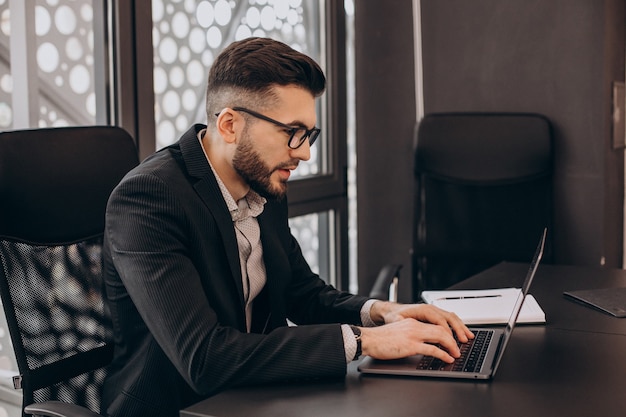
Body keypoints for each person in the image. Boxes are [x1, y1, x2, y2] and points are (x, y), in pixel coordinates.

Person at [101, 37, 473, 417]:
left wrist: (381, 313)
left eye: (309, 134)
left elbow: (300, 290)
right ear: (230, 124)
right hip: (181, 407)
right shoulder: (149, 199)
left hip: (257, 394)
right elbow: (205, 358)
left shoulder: (264, 182)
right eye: (292, 132)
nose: (304, 152)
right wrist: (365, 342)